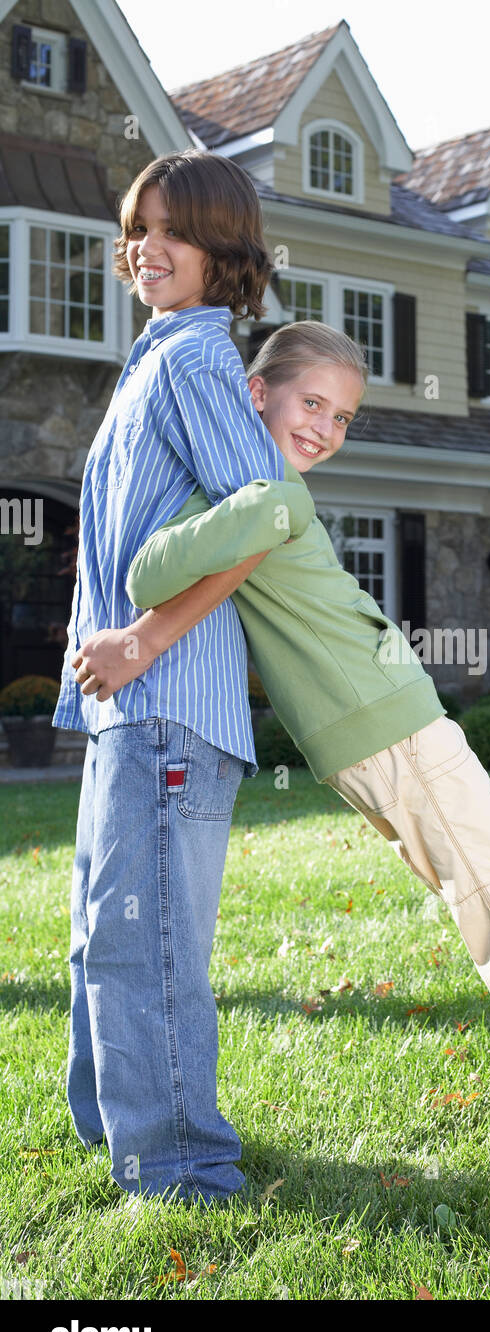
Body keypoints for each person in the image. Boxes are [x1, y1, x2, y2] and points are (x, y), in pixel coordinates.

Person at [78, 319, 490, 1156]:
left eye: (343, 417)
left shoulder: (267, 489)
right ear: (255, 394)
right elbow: (146, 572)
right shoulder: (263, 492)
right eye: (310, 402)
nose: (324, 427)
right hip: (392, 733)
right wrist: (251, 519)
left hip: (394, 725)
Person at [51, 150, 313, 1204]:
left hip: (164, 706)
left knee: (142, 946)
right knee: (101, 933)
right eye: (135, 227)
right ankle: (110, 1132)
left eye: (172, 229)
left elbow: (266, 512)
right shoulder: (157, 356)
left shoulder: (196, 359)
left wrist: (143, 643)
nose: (144, 246)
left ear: (223, 250)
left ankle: (183, 1170)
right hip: (130, 710)